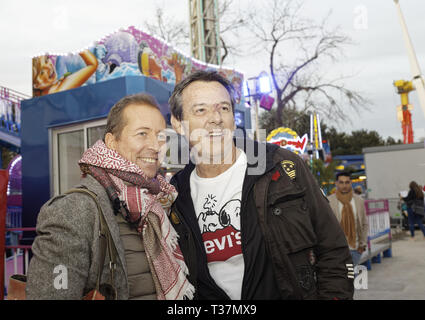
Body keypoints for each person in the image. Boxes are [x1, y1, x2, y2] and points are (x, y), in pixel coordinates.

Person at [168, 70, 354, 300]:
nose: (215, 118)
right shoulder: (173, 196)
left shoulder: (280, 167)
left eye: (223, 108)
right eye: (201, 110)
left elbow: (333, 248)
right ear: (177, 123)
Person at [26, 93, 194, 300]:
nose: (155, 145)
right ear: (112, 142)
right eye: (142, 133)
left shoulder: (161, 203)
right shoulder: (73, 210)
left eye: (160, 136)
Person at [327, 172, 368, 267]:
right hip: (337, 250)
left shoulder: (359, 201)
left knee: (352, 276)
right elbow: (325, 226)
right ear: (336, 183)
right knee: (341, 278)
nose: (344, 185)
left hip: (355, 249)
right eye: (341, 182)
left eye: (347, 182)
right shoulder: (329, 202)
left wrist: (362, 245)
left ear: (351, 183)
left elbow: (364, 224)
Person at [32, 49, 98, 96]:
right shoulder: (59, 91)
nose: (49, 66)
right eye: (42, 72)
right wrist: (78, 46)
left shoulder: (51, 90)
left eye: (46, 60)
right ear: (36, 85)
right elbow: (93, 64)